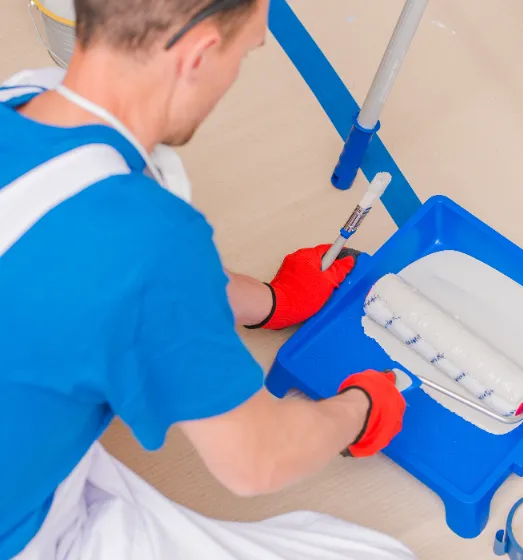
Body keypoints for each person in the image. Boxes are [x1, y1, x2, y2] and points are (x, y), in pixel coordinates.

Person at [0, 0, 413, 558]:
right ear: (198, 54)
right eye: (246, 52)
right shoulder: (150, 239)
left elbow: (116, 273)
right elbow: (256, 460)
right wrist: (360, 409)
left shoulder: (24, 100)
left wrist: (271, 302)